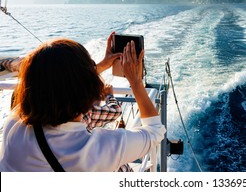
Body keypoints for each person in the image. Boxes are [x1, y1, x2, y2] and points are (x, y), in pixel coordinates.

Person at [0, 32, 165, 171]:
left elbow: (53, 84)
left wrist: (101, 65)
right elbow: (155, 131)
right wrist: (136, 82)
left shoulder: (14, 125)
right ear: (90, 91)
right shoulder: (98, 149)